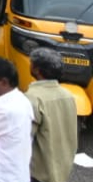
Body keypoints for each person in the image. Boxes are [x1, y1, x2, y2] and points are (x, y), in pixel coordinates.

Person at [25, 48, 79, 182]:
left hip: (38, 173)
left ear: (37, 69)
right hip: (62, 170)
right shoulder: (68, 95)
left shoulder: (32, 98)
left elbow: (23, 138)